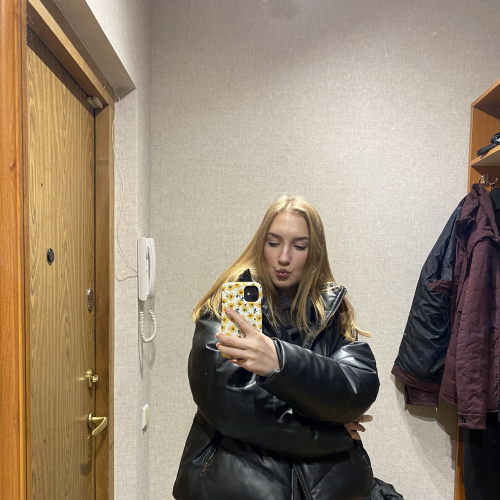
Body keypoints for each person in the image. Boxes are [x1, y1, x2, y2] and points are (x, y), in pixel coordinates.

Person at [173, 195, 380, 500]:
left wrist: (279, 361)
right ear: (261, 245)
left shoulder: (331, 311)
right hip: (237, 486)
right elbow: (231, 407)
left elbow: (356, 391)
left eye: (299, 246)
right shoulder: (226, 307)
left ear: (314, 252)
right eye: (273, 243)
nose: (284, 257)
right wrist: (333, 435)